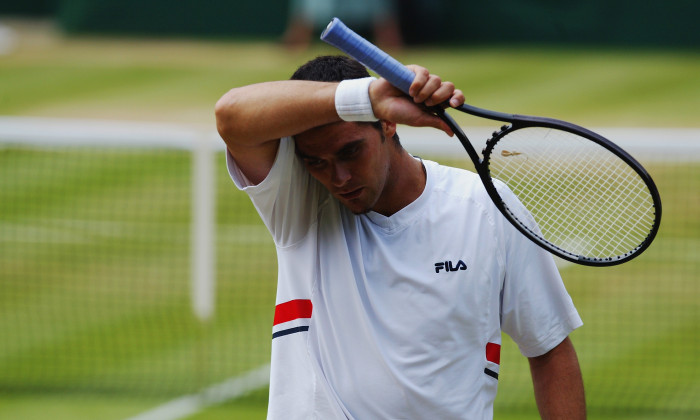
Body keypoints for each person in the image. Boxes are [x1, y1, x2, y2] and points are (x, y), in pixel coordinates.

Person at [215, 55, 586, 419]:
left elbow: (549, 348)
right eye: (317, 162)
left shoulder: (486, 209)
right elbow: (230, 115)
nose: (339, 177)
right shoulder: (300, 202)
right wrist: (370, 96)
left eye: (350, 151)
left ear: (388, 123)